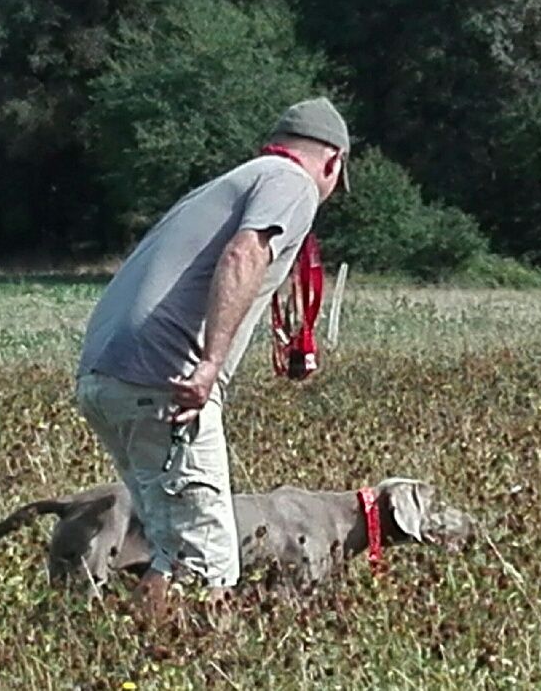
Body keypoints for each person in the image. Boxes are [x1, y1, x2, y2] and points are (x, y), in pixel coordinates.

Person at [75, 96, 350, 617]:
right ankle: (184, 667)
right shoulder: (292, 183)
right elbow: (245, 254)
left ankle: (129, 654)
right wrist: (207, 365)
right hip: (166, 383)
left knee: (172, 547)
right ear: (333, 161)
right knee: (207, 563)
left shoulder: (229, 183)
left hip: (107, 380)